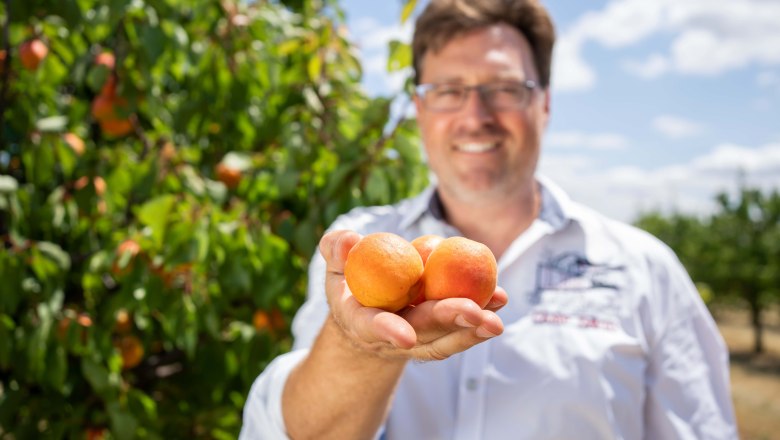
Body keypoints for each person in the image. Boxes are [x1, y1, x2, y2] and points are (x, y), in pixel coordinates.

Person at [240, 0, 738, 438]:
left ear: (544, 103)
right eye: (449, 89)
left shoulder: (645, 270)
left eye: (504, 88)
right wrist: (360, 349)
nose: (475, 114)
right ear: (419, 107)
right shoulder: (356, 251)